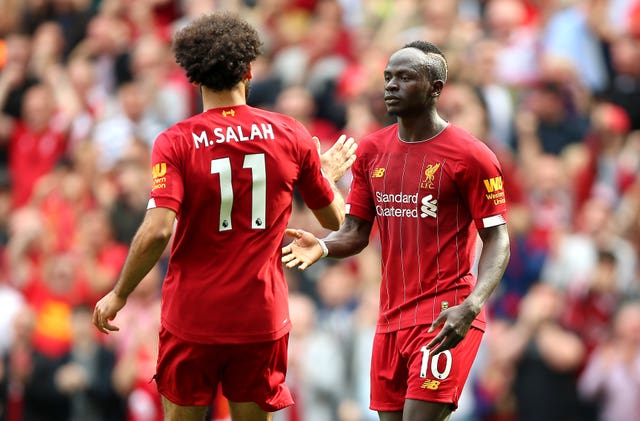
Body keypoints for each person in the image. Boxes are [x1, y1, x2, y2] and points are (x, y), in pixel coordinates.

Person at [92, 12, 357, 421]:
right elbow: (335, 220)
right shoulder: (290, 133)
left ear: (193, 78)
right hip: (260, 316)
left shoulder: (175, 142)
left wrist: (121, 292)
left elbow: (158, 229)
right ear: (250, 71)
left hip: (192, 315)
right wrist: (325, 175)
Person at [282, 41, 511, 421]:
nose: (391, 85)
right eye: (388, 77)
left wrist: (471, 305)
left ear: (435, 89)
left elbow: (498, 237)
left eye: (405, 77)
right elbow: (355, 232)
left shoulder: (472, 156)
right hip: (389, 320)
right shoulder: (371, 151)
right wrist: (322, 246)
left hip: (445, 314)